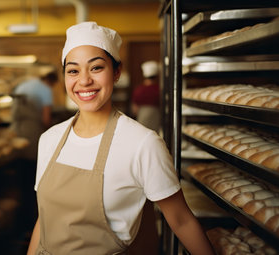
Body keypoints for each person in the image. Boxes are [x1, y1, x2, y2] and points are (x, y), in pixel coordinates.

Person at [27, 21, 215, 255]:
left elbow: (181, 220)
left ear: (116, 72)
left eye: (96, 68)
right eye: (73, 70)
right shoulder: (49, 139)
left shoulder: (142, 143)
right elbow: (44, 220)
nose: (84, 80)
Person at [11, 70, 58, 161]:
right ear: (51, 82)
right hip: (32, 131)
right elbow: (46, 119)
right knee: (30, 163)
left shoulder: (24, 85)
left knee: (17, 160)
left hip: (16, 129)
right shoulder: (46, 90)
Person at [131, 60, 161, 134]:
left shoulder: (139, 89)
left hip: (142, 118)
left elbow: (134, 110)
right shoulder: (159, 89)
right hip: (156, 118)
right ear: (156, 76)